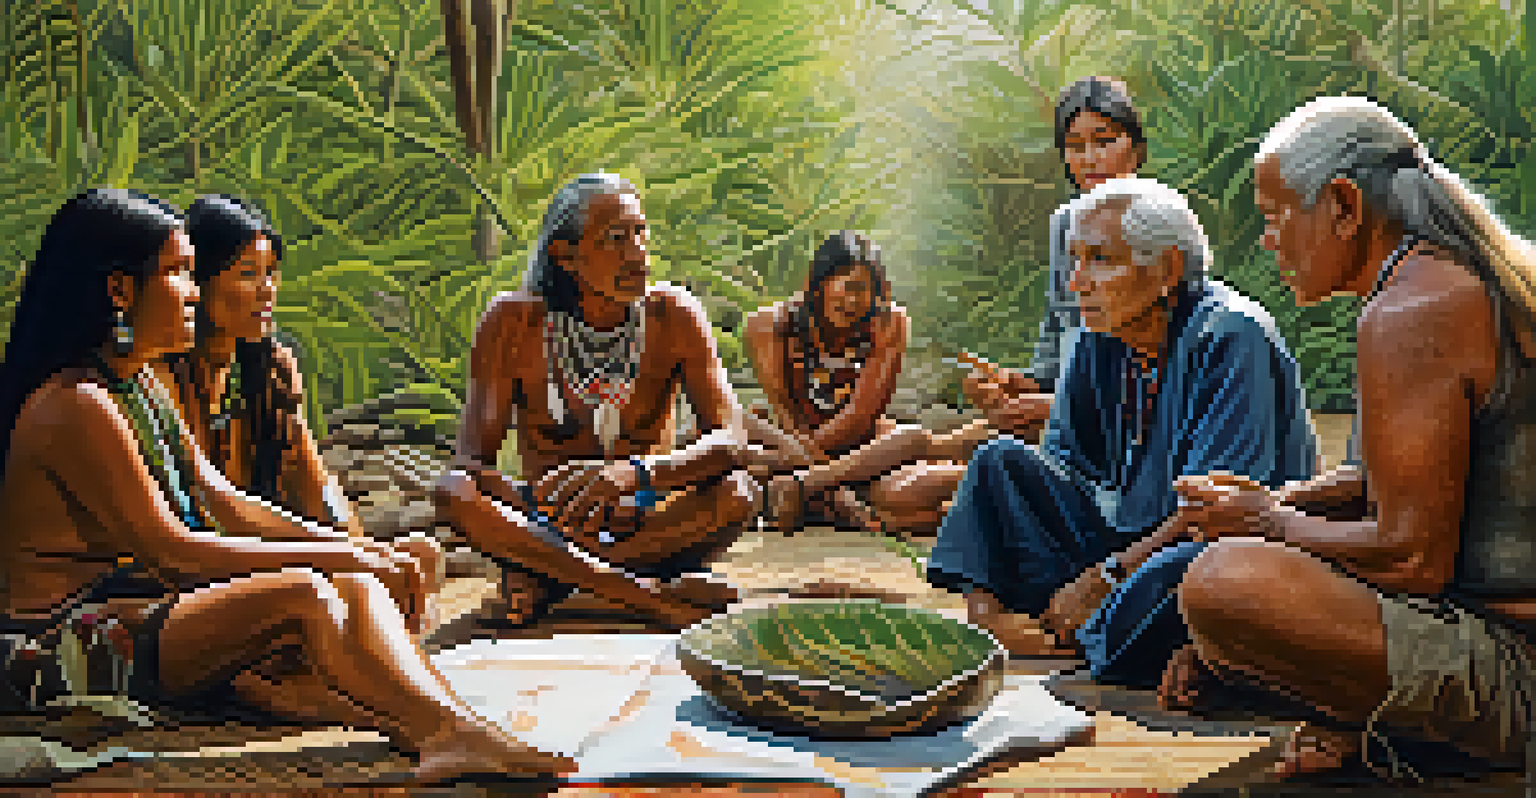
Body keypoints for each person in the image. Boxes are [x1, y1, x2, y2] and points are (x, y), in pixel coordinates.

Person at [0, 188, 574, 784]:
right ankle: (447, 732)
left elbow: (222, 502)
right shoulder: (75, 403)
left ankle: (450, 728)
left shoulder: (138, 382)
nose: (194, 292)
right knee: (308, 594)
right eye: (177, 273)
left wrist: (354, 555)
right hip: (61, 646)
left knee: (348, 583)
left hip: (135, 611)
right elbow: (175, 552)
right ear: (121, 291)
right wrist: (334, 552)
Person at [1160, 96, 1536, 783]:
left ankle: (1414, 739)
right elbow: (1416, 478)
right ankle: (1374, 724)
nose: (1268, 241)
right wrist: (1291, 503)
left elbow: (1412, 558)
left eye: (1274, 217)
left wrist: (1270, 522)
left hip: (1520, 672)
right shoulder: (1453, 279)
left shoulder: (1412, 309)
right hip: (1488, 641)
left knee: (1222, 583)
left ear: (1343, 205)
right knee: (1228, 601)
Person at [924, 177, 1316, 682]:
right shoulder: (1098, 332)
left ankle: (1091, 635)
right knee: (997, 463)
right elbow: (1063, 468)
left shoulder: (1230, 334)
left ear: (1167, 270)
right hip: (1128, 539)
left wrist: (1107, 576)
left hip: (1217, 543)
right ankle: (998, 624)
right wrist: (992, 600)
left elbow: (1216, 511)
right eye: (1075, 260)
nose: (1077, 281)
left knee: (1189, 579)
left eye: (1101, 260)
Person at [433, 173, 808, 629]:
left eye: (640, 234)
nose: (638, 254)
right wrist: (551, 506)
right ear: (566, 255)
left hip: (647, 512)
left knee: (737, 493)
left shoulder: (674, 314)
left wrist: (635, 476)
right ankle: (648, 596)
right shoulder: (512, 322)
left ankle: (552, 574)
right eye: (616, 238)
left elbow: (730, 439)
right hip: (554, 518)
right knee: (454, 492)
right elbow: (473, 465)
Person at [160, 194, 444, 623]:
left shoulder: (272, 368)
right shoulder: (161, 376)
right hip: (210, 561)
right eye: (247, 274)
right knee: (351, 587)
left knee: (419, 555)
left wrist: (361, 550)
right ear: (198, 281)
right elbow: (212, 514)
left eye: (271, 273)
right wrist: (350, 559)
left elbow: (314, 483)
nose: (266, 289)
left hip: (273, 549)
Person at [744, 231, 991, 537]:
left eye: (865, 292)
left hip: (864, 454)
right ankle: (832, 503)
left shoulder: (889, 323)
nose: (853, 301)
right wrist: (828, 484)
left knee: (906, 454)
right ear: (820, 282)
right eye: (849, 287)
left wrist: (810, 476)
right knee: (743, 424)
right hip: (797, 446)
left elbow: (861, 417)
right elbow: (785, 417)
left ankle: (813, 495)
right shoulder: (768, 327)